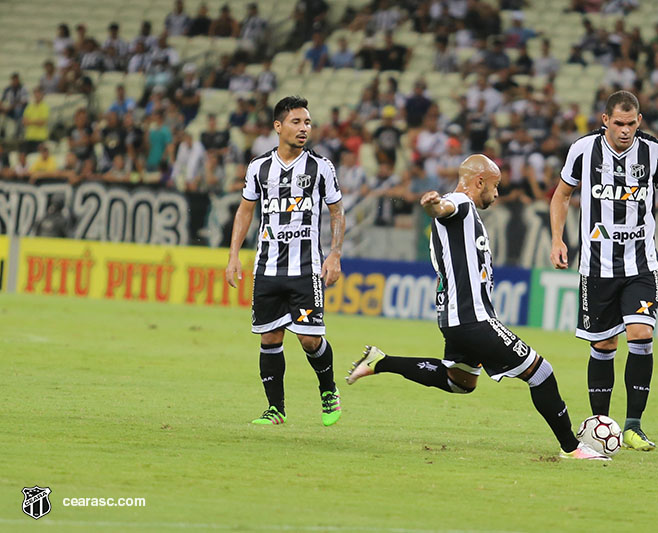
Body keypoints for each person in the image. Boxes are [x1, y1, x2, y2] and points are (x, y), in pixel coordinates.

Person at [347, 154, 609, 461]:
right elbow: (442, 208)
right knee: (541, 373)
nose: (497, 194)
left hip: (455, 319)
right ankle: (572, 447)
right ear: (479, 181)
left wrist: (436, 206)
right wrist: (432, 204)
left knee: (459, 382)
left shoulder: (465, 213)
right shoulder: (459, 204)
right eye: (495, 186)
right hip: (473, 319)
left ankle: (381, 361)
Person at [549, 90, 658, 452]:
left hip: (641, 263)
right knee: (605, 343)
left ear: (639, 121)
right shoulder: (582, 150)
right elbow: (561, 195)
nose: (625, 130)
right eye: (619, 123)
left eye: (632, 123)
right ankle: (600, 425)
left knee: (641, 334)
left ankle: (633, 427)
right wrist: (557, 240)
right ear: (605, 120)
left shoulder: (654, 151)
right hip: (596, 266)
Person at [225, 96, 345, 427]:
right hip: (267, 268)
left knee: (308, 338)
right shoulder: (258, 167)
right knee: (270, 338)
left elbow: (336, 212)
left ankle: (328, 390)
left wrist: (334, 253)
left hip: (305, 269)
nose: (304, 128)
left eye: (307, 122)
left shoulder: (321, 167)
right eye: (296, 122)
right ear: (278, 127)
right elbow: (245, 210)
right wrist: (234, 255)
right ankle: (275, 409)